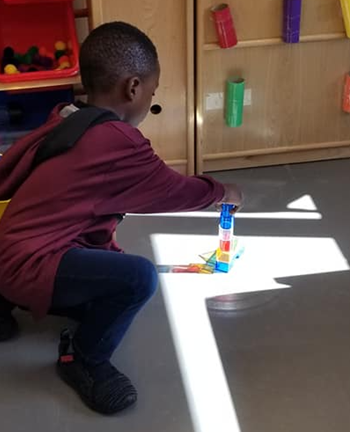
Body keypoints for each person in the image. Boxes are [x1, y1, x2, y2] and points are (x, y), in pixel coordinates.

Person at [0, 22, 243, 415]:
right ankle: (83, 361)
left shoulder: (68, 115)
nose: (149, 99)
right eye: (152, 91)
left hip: (7, 246)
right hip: (27, 264)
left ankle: (4, 297)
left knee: (97, 268)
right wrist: (223, 192)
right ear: (133, 88)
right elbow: (174, 192)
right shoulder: (117, 143)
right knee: (136, 279)